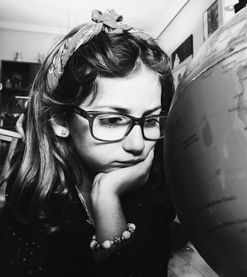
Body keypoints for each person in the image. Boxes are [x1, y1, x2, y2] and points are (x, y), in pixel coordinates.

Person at [0, 8, 175, 277]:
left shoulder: (157, 187)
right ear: (60, 120)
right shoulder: (30, 203)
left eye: (150, 120)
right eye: (113, 120)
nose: (138, 145)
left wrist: (108, 197)